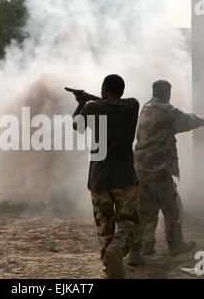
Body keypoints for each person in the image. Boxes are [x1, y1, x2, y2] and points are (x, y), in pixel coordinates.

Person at [134, 80, 204, 257]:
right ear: (167, 93)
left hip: (141, 167)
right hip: (157, 167)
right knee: (173, 207)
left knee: (146, 209)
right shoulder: (166, 109)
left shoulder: (146, 107)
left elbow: (170, 127)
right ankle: (176, 244)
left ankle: (141, 248)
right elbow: (187, 120)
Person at [72, 74, 143, 279]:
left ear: (104, 88)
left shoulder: (91, 108)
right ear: (121, 89)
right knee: (129, 223)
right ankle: (117, 251)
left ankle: (109, 267)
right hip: (125, 180)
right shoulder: (132, 107)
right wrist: (92, 98)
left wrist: (82, 103)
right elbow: (111, 103)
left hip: (99, 181)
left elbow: (77, 126)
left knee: (104, 227)